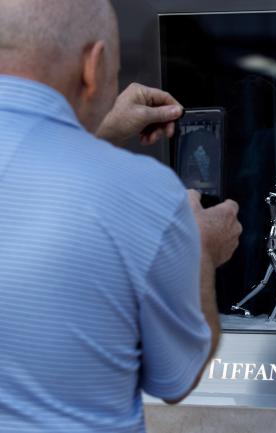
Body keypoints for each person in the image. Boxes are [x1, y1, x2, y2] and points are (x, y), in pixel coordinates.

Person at [0, 1, 242, 432]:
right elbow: (176, 379)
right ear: (93, 66)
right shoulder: (143, 193)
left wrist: (98, 131)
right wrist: (199, 253)